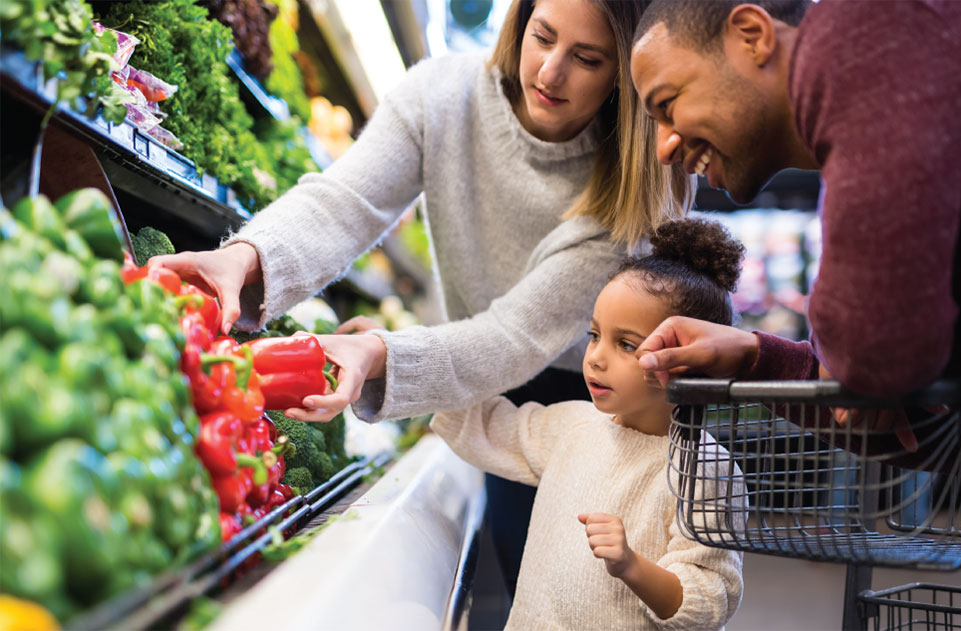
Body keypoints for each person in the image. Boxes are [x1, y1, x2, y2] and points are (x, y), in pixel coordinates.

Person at [150, 0, 693, 598]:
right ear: (520, 22)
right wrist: (247, 257)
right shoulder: (444, 93)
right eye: (542, 37)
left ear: (623, 72)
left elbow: (513, 335)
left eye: (586, 59)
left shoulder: (626, 187)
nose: (549, 72)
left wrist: (380, 353)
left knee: (592, 595)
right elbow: (346, 201)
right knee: (530, 584)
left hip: (593, 404)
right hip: (494, 391)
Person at [628, 0, 961, 440]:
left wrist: (861, 363)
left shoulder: (872, 31)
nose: (663, 149)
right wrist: (755, 359)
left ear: (752, 35)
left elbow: (875, 352)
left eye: (668, 104)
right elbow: (954, 436)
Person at [431, 217, 745, 630]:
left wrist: (632, 565)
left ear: (688, 363)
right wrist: (394, 365)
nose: (595, 356)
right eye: (594, 334)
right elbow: (485, 423)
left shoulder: (705, 471)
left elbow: (710, 597)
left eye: (626, 344)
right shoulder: (573, 427)